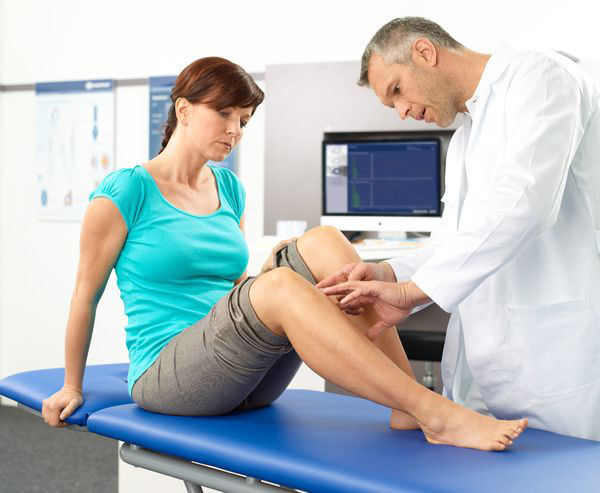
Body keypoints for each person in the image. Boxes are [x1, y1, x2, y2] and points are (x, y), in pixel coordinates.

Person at [41, 56, 527, 451]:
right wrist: (71, 385)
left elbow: (229, 291)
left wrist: (266, 273)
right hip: (168, 376)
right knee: (277, 284)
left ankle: (408, 407)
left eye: (244, 121)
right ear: (184, 110)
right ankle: (436, 413)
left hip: (235, 373)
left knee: (322, 241)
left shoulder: (229, 188)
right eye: (224, 114)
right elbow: (86, 294)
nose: (235, 131)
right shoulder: (126, 191)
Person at [319, 17, 600, 440]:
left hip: (555, 358)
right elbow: (457, 241)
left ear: (425, 53)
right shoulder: (467, 134)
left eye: (397, 90)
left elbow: (525, 203)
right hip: (487, 359)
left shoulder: (542, 77)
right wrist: (393, 274)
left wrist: (416, 291)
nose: (403, 112)